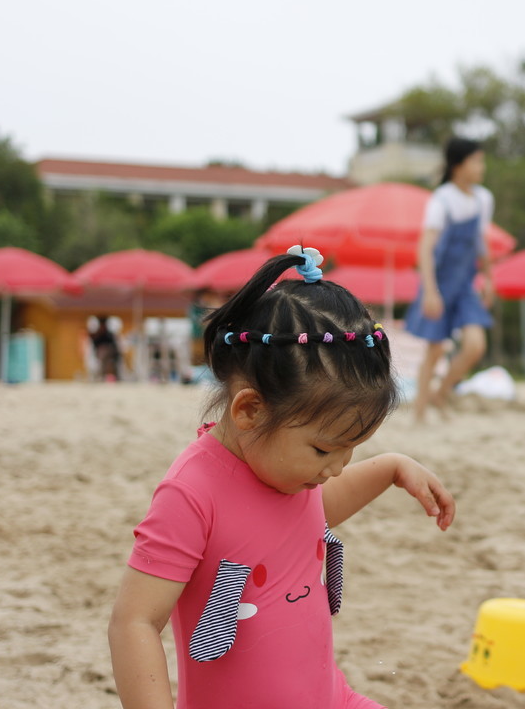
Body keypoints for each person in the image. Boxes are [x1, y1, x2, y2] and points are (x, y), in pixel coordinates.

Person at [108, 246, 456, 709]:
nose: (337, 467)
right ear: (250, 409)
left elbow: (314, 511)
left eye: (354, 449)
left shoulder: (292, 475)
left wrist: (391, 468)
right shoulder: (192, 494)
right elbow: (134, 622)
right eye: (324, 449)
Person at [404, 137, 496, 422]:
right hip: (440, 283)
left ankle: (440, 394)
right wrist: (430, 291)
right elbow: (425, 247)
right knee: (435, 349)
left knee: (475, 345)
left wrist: (489, 279)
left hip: (466, 284)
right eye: (477, 161)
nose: (482, 166)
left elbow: (482, 242)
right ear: (459, 165)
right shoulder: (441, 199)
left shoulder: (484, 198)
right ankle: (420, 411)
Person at [90, 315, 120, 381]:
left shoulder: (109, 334)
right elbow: (95, 345)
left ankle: (113, 376)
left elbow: (114, 345)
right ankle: (100, 376)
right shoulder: (97, 334)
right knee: (103, 353)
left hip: (110, 353)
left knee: (107, 356)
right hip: (100, 353)